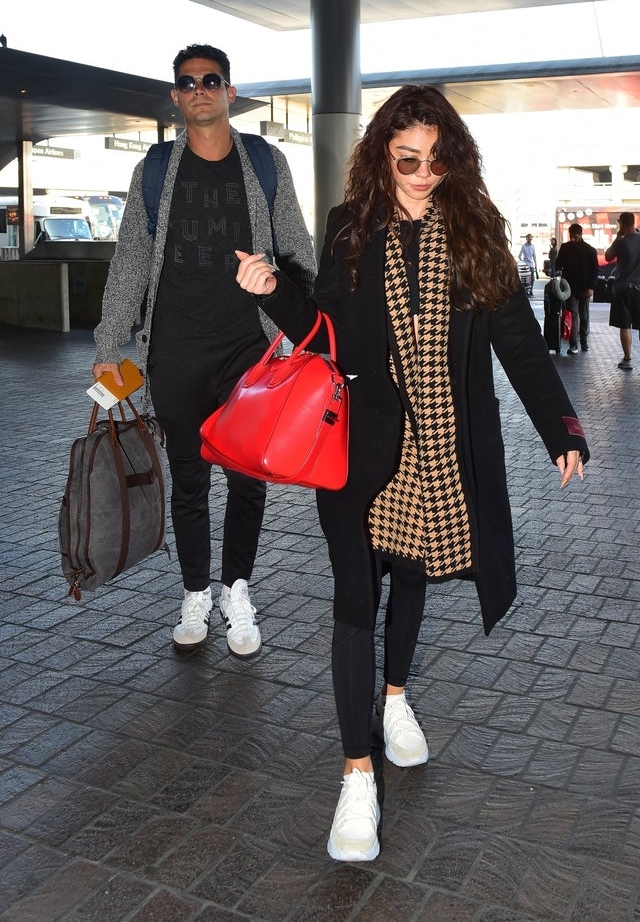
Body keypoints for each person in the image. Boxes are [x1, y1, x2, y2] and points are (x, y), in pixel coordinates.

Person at [235, 85, 589, 863]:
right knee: (356, 594)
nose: (424, 173)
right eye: (407, 159)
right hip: (358, 444)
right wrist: (274, 292)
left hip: (443, 444)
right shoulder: (350, 229)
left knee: (414, 573)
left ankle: (394, 698)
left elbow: (519, 340)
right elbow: (321, 329)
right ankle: (355, 774)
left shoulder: (477, 230)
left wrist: (561, 427)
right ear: (380, 155)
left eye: (437, 159)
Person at [92, 43, 316, 657]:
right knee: (188, 480)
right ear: (175, 96)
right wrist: (112, 341)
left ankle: (236, 589)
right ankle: (195, 591)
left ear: (229, 91)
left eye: (211, 80)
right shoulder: (156, 170)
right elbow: (133, 260)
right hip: (175, 350)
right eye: (188, 83)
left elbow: (296, 243)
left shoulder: (265, 163)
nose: (200, 90)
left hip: (250, 349)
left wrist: (313, 323)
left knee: (248, 479)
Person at [554, 223, 598, 354]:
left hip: (583, 287)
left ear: (580, 234)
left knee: (583, 314)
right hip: (570, 287)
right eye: (571, 236)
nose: (573, 239)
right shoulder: (566, 248)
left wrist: (591, 287)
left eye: (575, 236)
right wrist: (558, 269)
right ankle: (573, 344)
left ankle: (583, 341)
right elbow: (558, 263)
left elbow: (595, 270)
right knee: (573, 314)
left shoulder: (589, 250)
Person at [605, 211, 640, 371]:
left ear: (622, 224)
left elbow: (607, 256)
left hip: (624, 288)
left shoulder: (622, 241)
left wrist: (618, 237)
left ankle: (627, 359)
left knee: (625, 325)